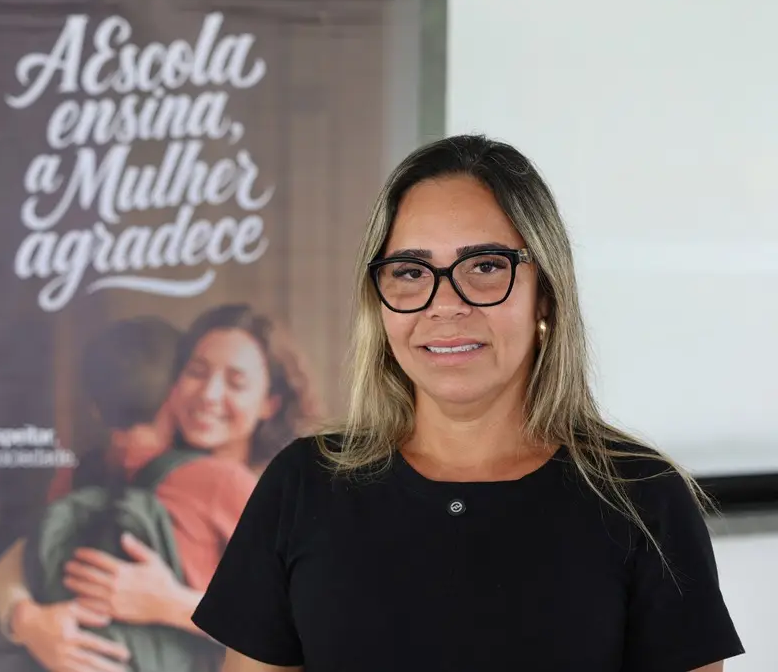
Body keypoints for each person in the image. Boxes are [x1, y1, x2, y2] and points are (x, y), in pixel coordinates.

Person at [190, 135, 746, 672]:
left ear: (544, 294)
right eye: (410, 272)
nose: (446, 304)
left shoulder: (644, 500)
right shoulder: (303, 484)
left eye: (484, 266)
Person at [0, 304, 319, 672]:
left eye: (236, 382)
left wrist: (171, 603)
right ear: (172, 383)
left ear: (269, 404)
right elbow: (17, 560)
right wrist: (28, 621)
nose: (209, 394)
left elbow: (312, 625)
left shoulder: (283, 491)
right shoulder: (119, 471)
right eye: (196, 371)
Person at [19, 315, 258, 672]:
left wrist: (22, 618)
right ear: (175, 394)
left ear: (95, 409)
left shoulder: (72, 478)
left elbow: (23, 569)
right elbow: (287, 619)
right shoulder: (220, 481)